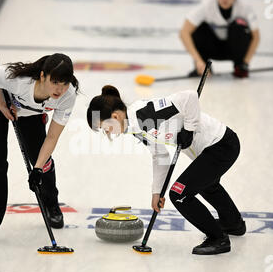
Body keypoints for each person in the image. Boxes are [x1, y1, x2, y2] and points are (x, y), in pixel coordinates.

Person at [87, 85, 246, 255]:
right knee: (206, 184)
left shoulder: (144, 114)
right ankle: (233, 223)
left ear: (115, 116)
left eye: (106, 128)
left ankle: (218, 238)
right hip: (210, 150)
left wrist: (189, 129)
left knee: (179, 195)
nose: (108, 133)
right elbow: (160, 156)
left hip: (221, 145)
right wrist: (157, 192)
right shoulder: (135, 127)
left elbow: (189, 96)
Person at [0, 53, 79, 244]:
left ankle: (51, 204)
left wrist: (37, 169)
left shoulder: (68, 95)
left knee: (43, 161)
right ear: (42, 76)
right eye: (54, 82)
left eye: (64, 83)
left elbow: (52, 136)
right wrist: (1, 103)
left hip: (29, 114)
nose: (59, 89)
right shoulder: (18, 80)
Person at [180, 0, 260, 78]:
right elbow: (184, 32)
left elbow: (256, 36)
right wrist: (198, 61)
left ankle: (239, 65)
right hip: (213, 48)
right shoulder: (206, 6)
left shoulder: (245, 8)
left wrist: (246, 62)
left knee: (240, 27)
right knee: (198, 29)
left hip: (234, 49)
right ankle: (203, 67)